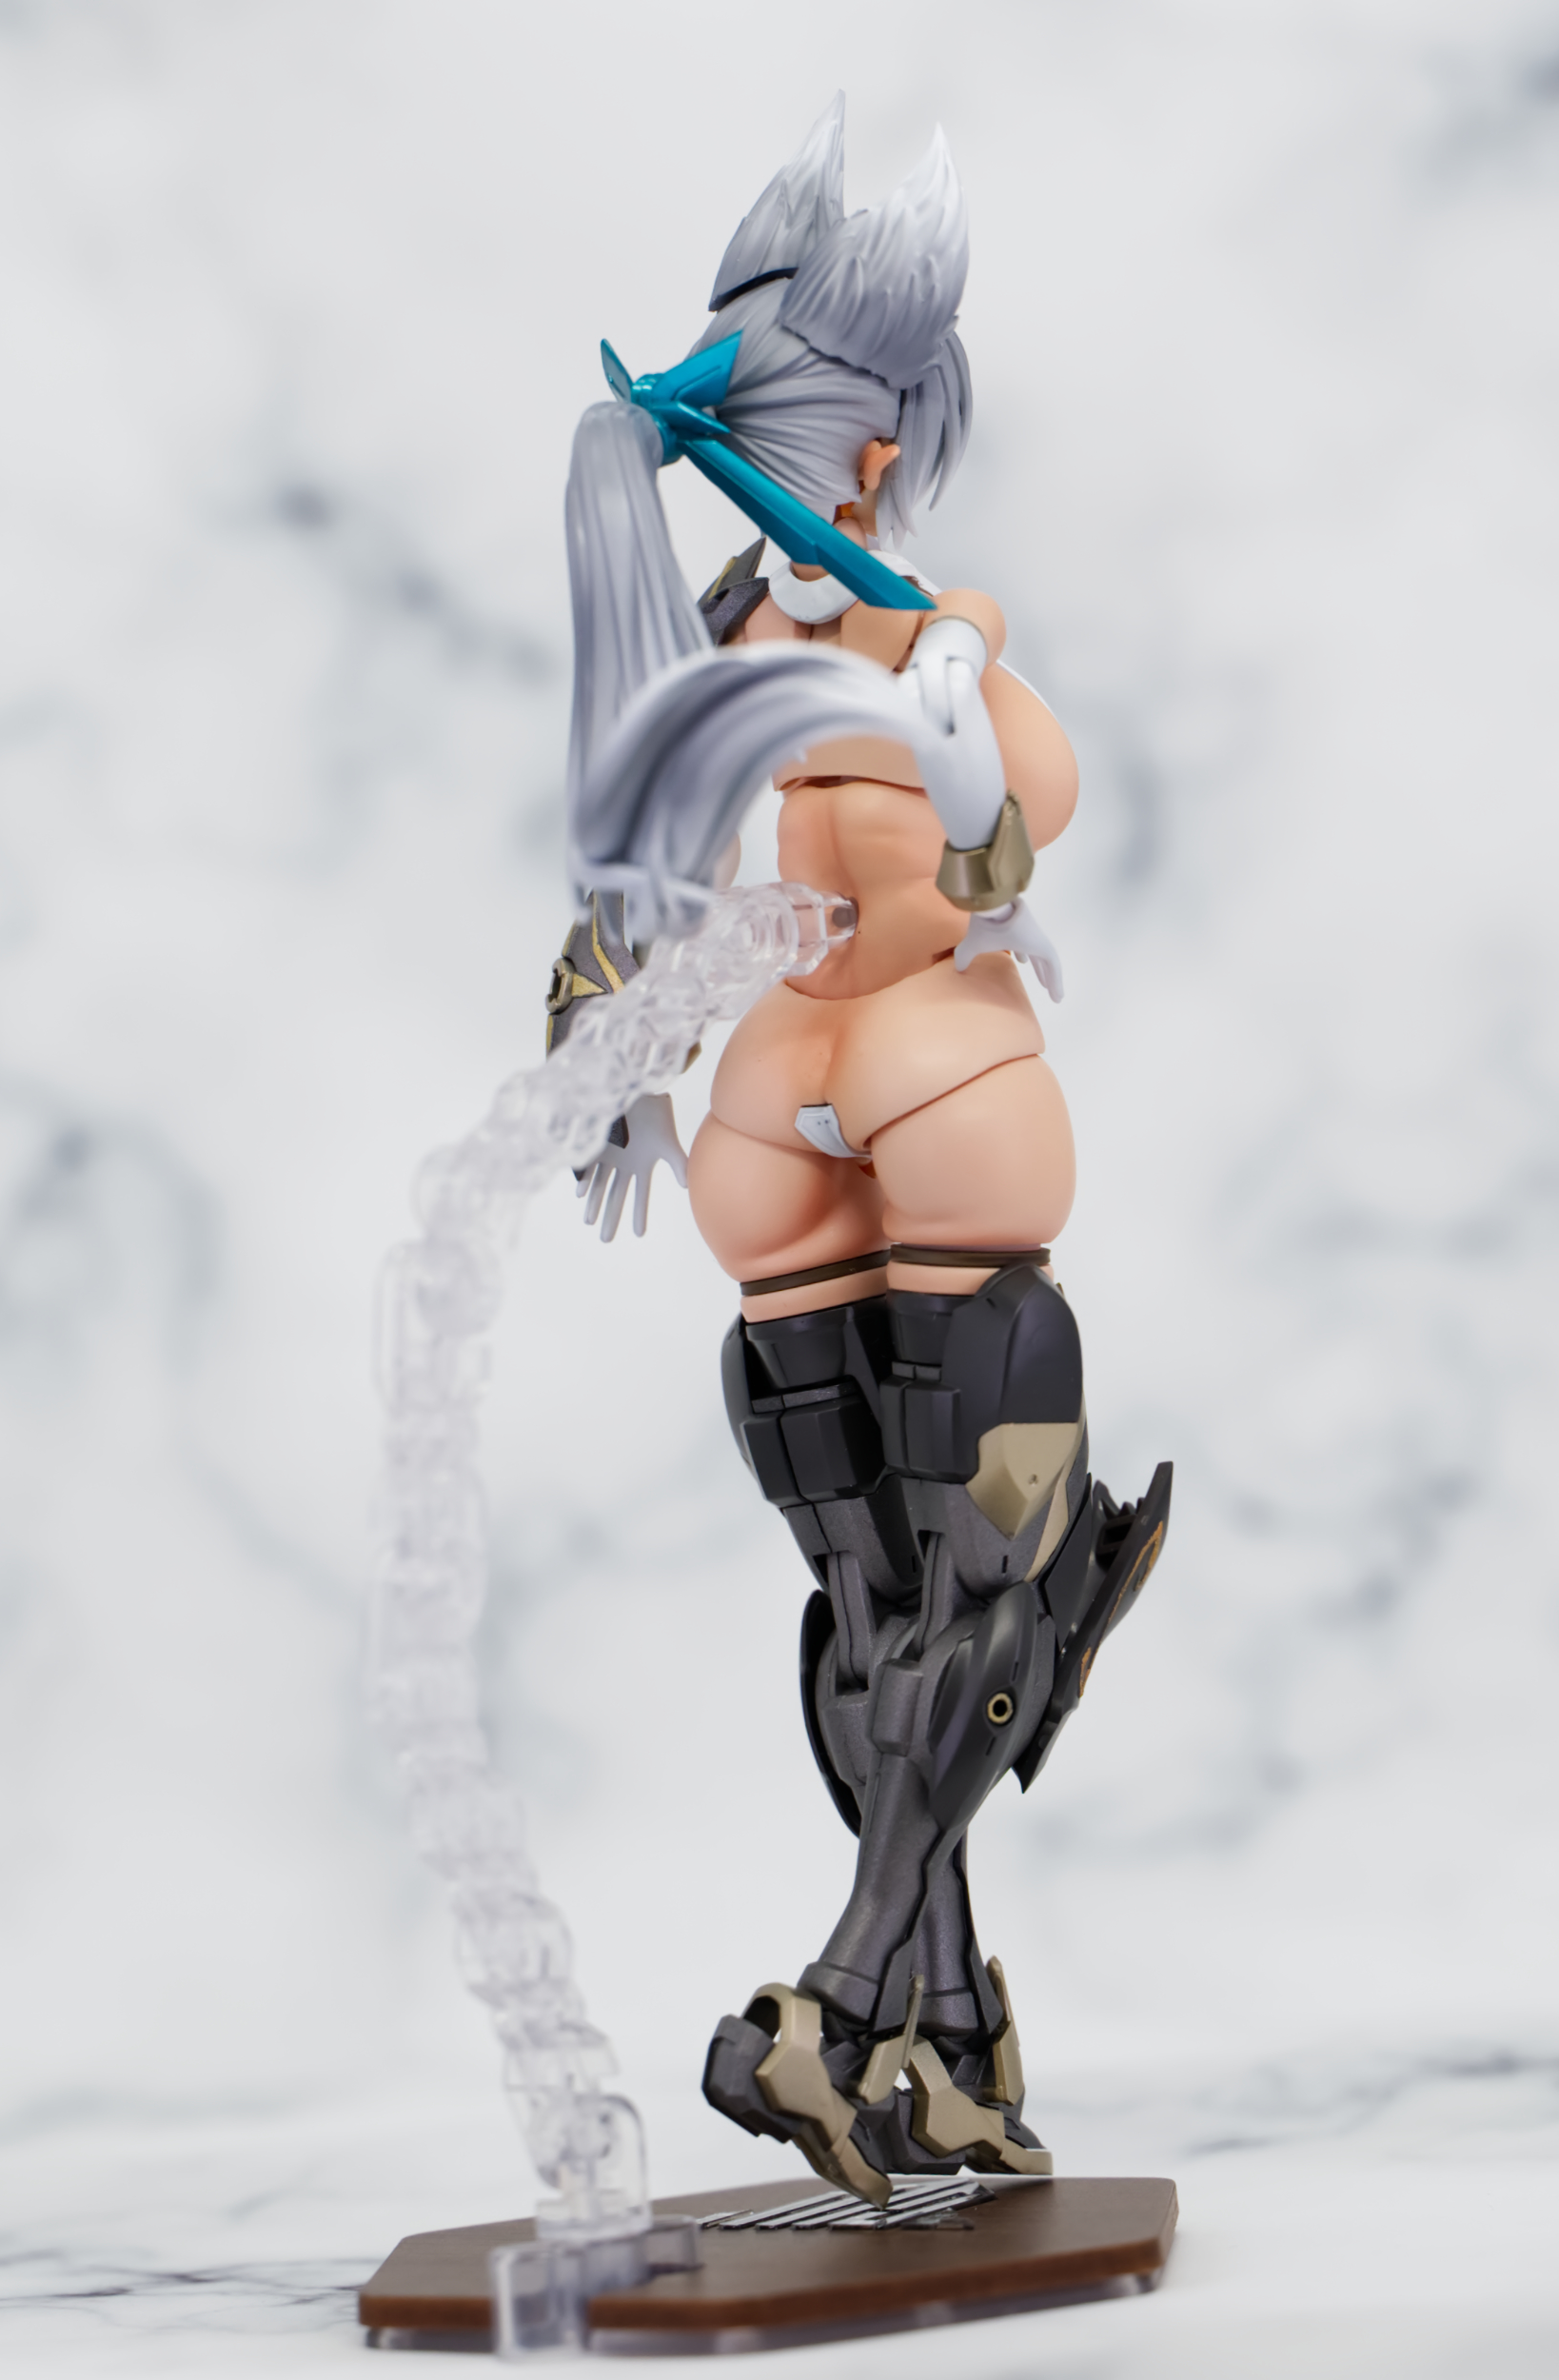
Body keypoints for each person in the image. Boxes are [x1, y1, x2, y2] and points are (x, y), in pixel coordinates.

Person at [546, 96, 1169, 2208]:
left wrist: (612, 1057)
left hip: (841, 1083)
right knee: (930, 1598)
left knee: (922, 1591)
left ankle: (894, 2014)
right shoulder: (838, 634)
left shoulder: (841, 635)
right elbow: (960, 841)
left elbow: (989, 829)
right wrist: (601, 1048)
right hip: (860, 1087)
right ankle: (887, 2026)